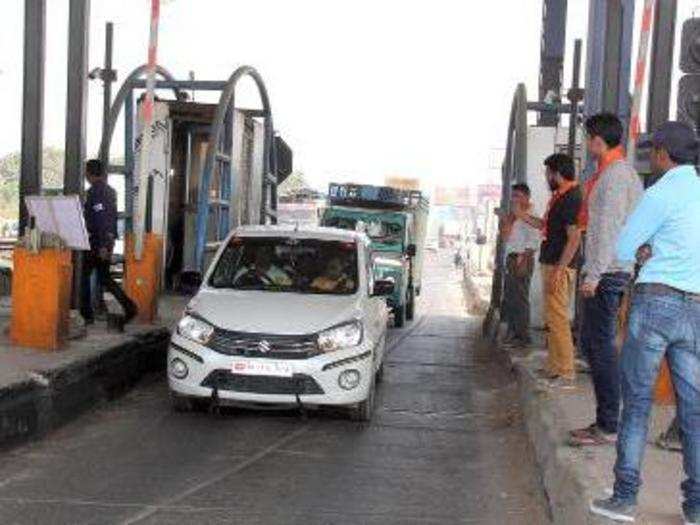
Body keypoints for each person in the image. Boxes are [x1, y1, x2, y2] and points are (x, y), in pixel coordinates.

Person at [590, 122, 700, 524]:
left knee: (636, 403)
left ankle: (624, 498)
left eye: (653, 150)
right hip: (697, 308)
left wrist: (649, 249)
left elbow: (623, 246)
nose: (651, 156)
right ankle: (696, 507)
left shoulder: (660, 193)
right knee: (694, 409)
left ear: (664, 154)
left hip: (656, 303)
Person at [569, 113, 644, 447]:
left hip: (608, 271)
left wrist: (594, 274)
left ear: (598, 140)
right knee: (596, 347)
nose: (587, 143)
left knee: (600, 349)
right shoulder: (618, 173)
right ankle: (606, 421)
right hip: (612, 269)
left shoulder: (614, 177)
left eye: (589, 138)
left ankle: (608, 425)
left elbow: (607, 230)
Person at [515, 153, 582, 388]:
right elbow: (545, 226)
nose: (546, 177)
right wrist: (523, 216)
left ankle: (565, 372)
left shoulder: (572, 197)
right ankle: (555, 367)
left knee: (559, 318)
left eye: (548, 173)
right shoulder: (559, 197)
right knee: (552, 318)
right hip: (552, 262)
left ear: (557, 173)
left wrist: (559, 270)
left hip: (559, 265)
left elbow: (574, 239)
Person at [80, 159, 137, 326]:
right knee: (105, 278)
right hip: (105, 241)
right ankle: (129, 306)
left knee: (82, 277)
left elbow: (102, 218)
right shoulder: (110, 191)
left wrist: (103, 245)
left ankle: (87, 315)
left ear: (89, 174)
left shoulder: (95, 193)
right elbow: (111, 218)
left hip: (97, 242)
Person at [500, 183, 540, 347]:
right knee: (512, 297)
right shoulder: (515, 215)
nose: (514, 199)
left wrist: (524, 260)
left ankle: (523, 336)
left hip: (522, 258)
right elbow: (506, 237)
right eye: (513, 196)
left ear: (527, 197)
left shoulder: (530, 215)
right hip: (512, 258)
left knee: (520, 298)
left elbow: (533, 241)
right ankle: (514, 333)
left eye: (518, 196)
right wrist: (507, 219)